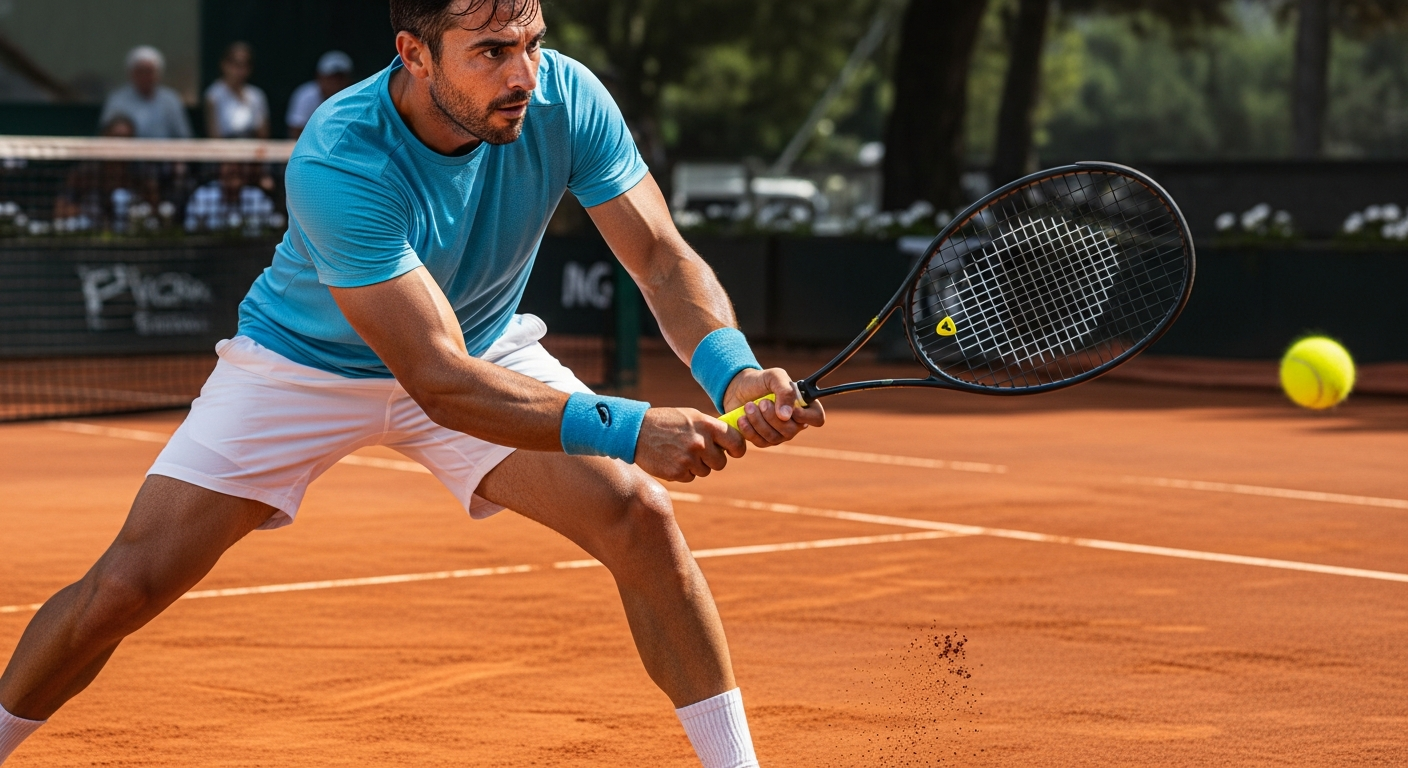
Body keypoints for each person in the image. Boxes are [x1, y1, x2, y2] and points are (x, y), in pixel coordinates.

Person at [0, 1, 824, 766]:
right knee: (122, 590)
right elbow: (436, 382)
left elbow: (658, 255)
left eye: (533, 43)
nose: (524, 76)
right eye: (492, 52)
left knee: (638, 515)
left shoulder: (564, 97)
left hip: (481, 345)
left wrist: (734, 369)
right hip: (305, 369)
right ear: (416, 54)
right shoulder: (340, 153)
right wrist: (633, 428)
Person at [99, 46, 192, 139]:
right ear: (131, 73)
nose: (145, 77)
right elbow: (107, 134)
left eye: (149, 72)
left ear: (158, 74)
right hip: (128, 152)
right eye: (140, 71)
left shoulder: (170, 99)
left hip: (163, 152)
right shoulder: (117, 99)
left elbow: (183, 136)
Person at [184, 162, 278, 233]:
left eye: (238, 165)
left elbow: (273, 224)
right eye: (228, 165)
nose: (233, 169)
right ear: (219, 169)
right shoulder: (203, 195)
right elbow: (190, 228)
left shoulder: (257, 196)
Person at [204, 42, 270, 140]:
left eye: (245, 65)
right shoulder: (213, 95)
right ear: (224, 64)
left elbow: (263, 134)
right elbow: (214, 136)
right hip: (223, 152)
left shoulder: (256, 95)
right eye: (235, 64)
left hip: (252, 150)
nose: (240, 71)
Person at [286, 50, 354, 140]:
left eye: (339, 78)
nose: (334, 82)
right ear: (319, 76)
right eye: (330, 77)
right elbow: (295, 130)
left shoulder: (355, 96)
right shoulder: (305, 95)